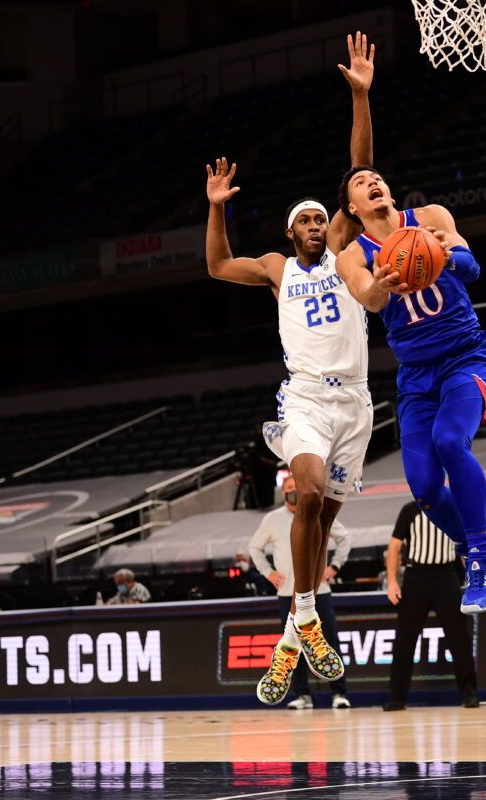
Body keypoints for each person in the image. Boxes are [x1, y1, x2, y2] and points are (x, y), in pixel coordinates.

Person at [204, 32, 376, 706]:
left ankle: (290, 631)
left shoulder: (341, 249)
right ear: (288, 233)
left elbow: (359, 173)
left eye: (319, 216)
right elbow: (218, 265)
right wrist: (218, 208)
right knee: (302, 496)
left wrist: (360, 97)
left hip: (355, 403)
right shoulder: (277, 270)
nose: (314, 223)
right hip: (304, 399)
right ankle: (306, 616)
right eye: (303, 219)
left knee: (322, 523)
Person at [334, 164, 486, 616]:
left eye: (377, 179)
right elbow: (367, 298)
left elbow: (472, 268)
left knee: (450, 440)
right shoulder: (352, 254)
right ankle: (473, 533)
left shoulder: (430, 216)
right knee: (424, 488)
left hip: (466, 356)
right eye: (360, 184)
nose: (373, 184)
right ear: (352, 207)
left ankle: (481, 562)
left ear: (389, 189)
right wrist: (382, 286)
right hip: (416, 376)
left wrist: (448, 253)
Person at [248, 475, 353, 709]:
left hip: (319, 590)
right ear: (283, 492)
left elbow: (343, 538)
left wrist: (334, 566)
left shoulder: (316, 510)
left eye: (296, 486)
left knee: (327, 642)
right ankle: (301, 694)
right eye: (289, 488)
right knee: (293, 644)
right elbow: (254, 548)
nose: (293, 491)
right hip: (287, 592)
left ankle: (339, 693)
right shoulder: (272, 519)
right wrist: (268, 572)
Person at [384, 500, 479, 711]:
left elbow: (465, 545)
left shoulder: (454, 508)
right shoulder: (409, 510)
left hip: (446, 575)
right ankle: (397, 697)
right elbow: (395, 546)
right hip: (416, 576)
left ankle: (470, 694)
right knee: (404, 638)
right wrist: (392, 581)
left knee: (459, 636)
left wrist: (475, 581)